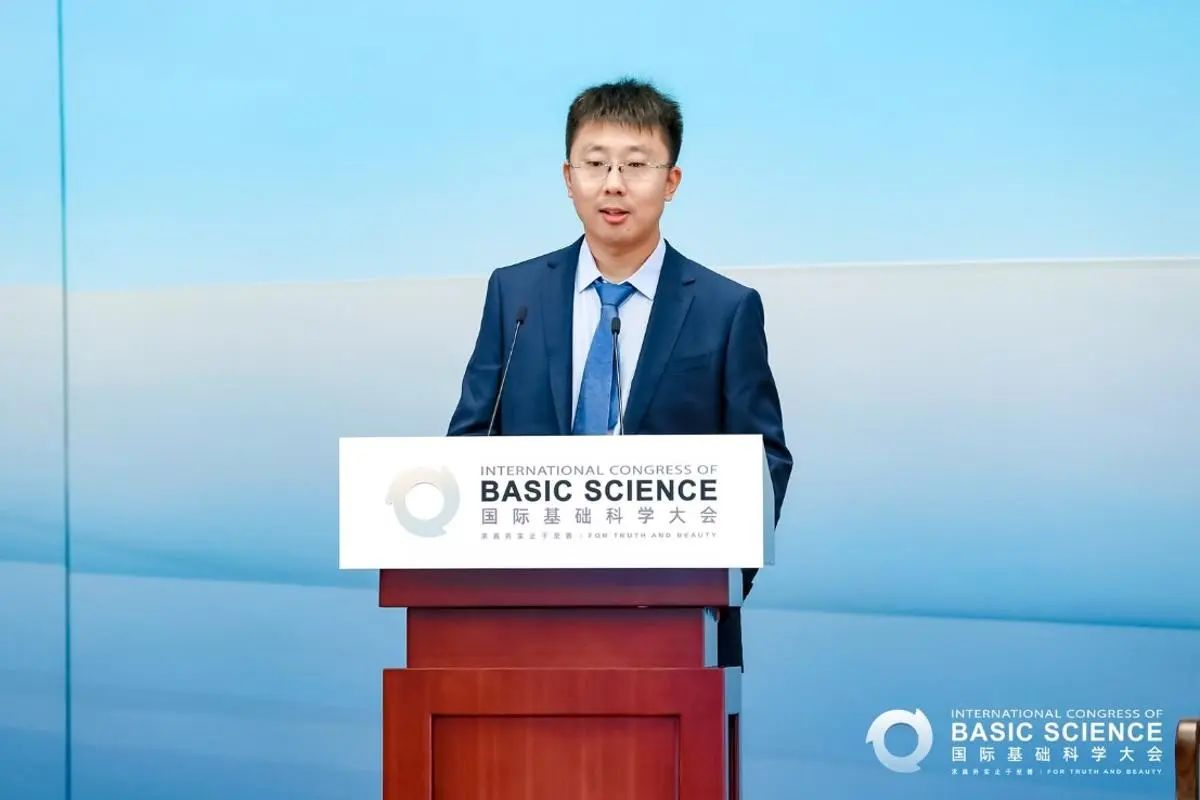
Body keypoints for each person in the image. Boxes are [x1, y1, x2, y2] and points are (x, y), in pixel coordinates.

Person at [448, 78, 792, 667]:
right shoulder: (515, 294)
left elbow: (764, 460)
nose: (614, 183)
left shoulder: (725, 308)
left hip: (674, 619)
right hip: (523, 611)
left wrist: (721, 584)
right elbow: (470, 439)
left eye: (636, 164)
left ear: (671, 180)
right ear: (568, 178)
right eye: (595, 163)